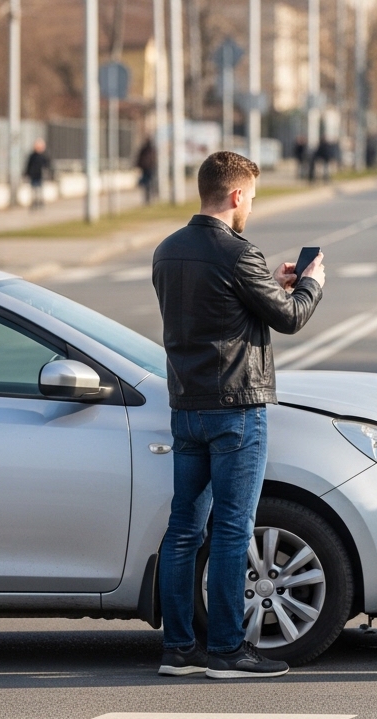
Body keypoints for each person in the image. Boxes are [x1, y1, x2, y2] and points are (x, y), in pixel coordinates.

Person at [151, 151, 326, 680]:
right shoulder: (237, 252)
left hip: (187, 408)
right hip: (237, 411)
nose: (251, 205)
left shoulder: (166, 250)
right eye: (250, 196)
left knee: (184, 528)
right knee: (232, 529)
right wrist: (312, 283)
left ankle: (179, 650)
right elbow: (291, 317)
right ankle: (227, 651)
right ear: (234, 195)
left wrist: (269, 281)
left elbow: (217, 308)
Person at [23, 139, 54, 211]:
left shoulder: (43, 156)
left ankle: (40, 204)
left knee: (40, 191)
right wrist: (27, 173)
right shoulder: (32, 156)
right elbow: (28, 165)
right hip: (33, 175)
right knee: (34, 191)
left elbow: (48, 165)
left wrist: (49, 173)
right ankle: (34, 204)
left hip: (40, 176)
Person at [136, 138, 157, 205]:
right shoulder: (150, 150)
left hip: (148, 168)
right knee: (148, 182)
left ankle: (149, 195)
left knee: (148, 182)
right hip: (148, 168)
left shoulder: (149, 150)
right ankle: (148, 196)